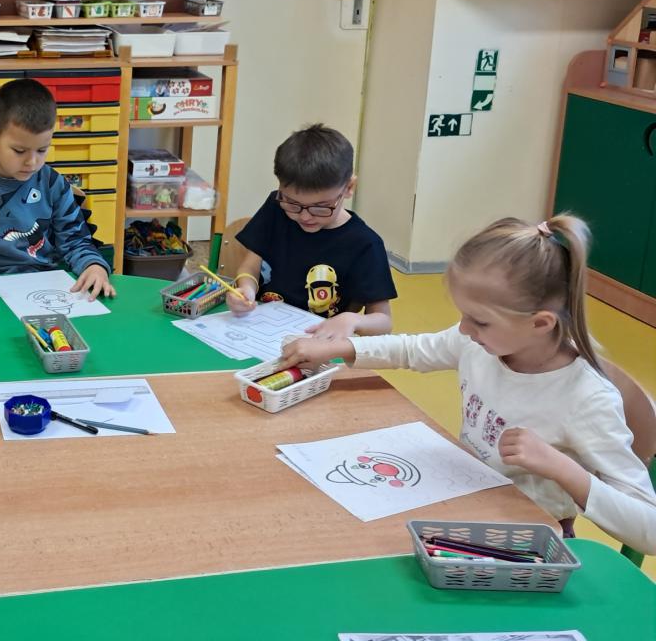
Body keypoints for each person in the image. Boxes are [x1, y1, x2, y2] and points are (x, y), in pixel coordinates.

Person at [280, 215, 656, 554]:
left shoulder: (586, 398)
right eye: (463, 315)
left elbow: (649, 530)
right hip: (463, 507)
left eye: (479, 321)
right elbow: (414, 349)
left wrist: (563, 469)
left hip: (524, 545)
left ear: (541, 323)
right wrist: (341, 347)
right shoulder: (481, 343)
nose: (463, 329)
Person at [0, 78, 114, 298]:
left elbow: (76, 242)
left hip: (47, 288)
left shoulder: (53, 184)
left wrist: (94, 266)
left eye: (42, 150)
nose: (32, 162)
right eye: (19, 151)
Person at [229, 123, 395, 337]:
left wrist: (353, 320)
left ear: (349, 187)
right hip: (261, 330)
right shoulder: (276, 208)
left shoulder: (365, 244)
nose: (305, 216)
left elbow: (383, 321)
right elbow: (250, 266)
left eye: (320, 207)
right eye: (292, 203)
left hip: (317, 343)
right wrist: (246, 289)